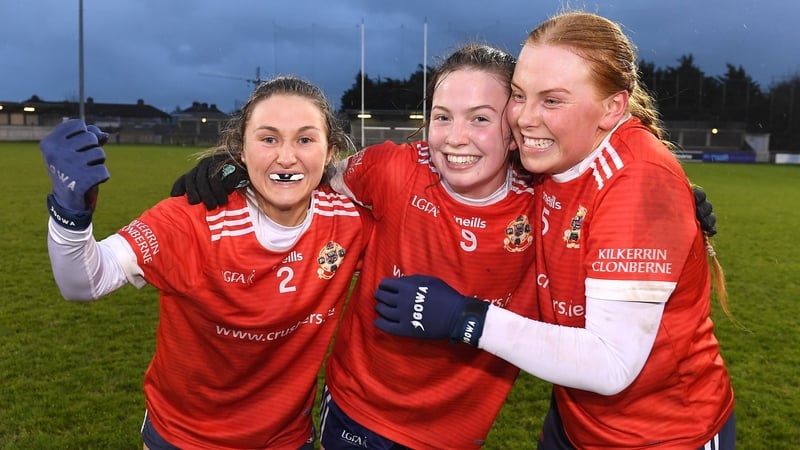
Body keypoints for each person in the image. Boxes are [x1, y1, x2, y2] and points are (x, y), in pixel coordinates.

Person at [173, 44, 719, 449]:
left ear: (513, 131)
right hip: (357, 418)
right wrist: (232, 169)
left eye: (480, 119)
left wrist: (671, 198)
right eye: (441, 116)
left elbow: (604, 186)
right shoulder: (390, 169)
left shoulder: (544, 197)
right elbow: (313, 172)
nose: (455, 137)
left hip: (459, 432)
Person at [372, 11, 735, 450]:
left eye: (552, 100)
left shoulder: (637, 181)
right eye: (520, 95)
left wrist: (465, 319)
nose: (523, 118)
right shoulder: (552, 159)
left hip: (664, 436)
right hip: (574, 422)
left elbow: (611, 363)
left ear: (613, 107)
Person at [40, 76, 373, 449]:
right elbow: (84, 282)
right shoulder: (193, 220)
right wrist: (71, 213)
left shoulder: (347, 222)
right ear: (240, 150)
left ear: (329, 153)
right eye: (268, 139)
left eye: (305, 139)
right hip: (184, 437)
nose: (286, 156)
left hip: (286, 439)